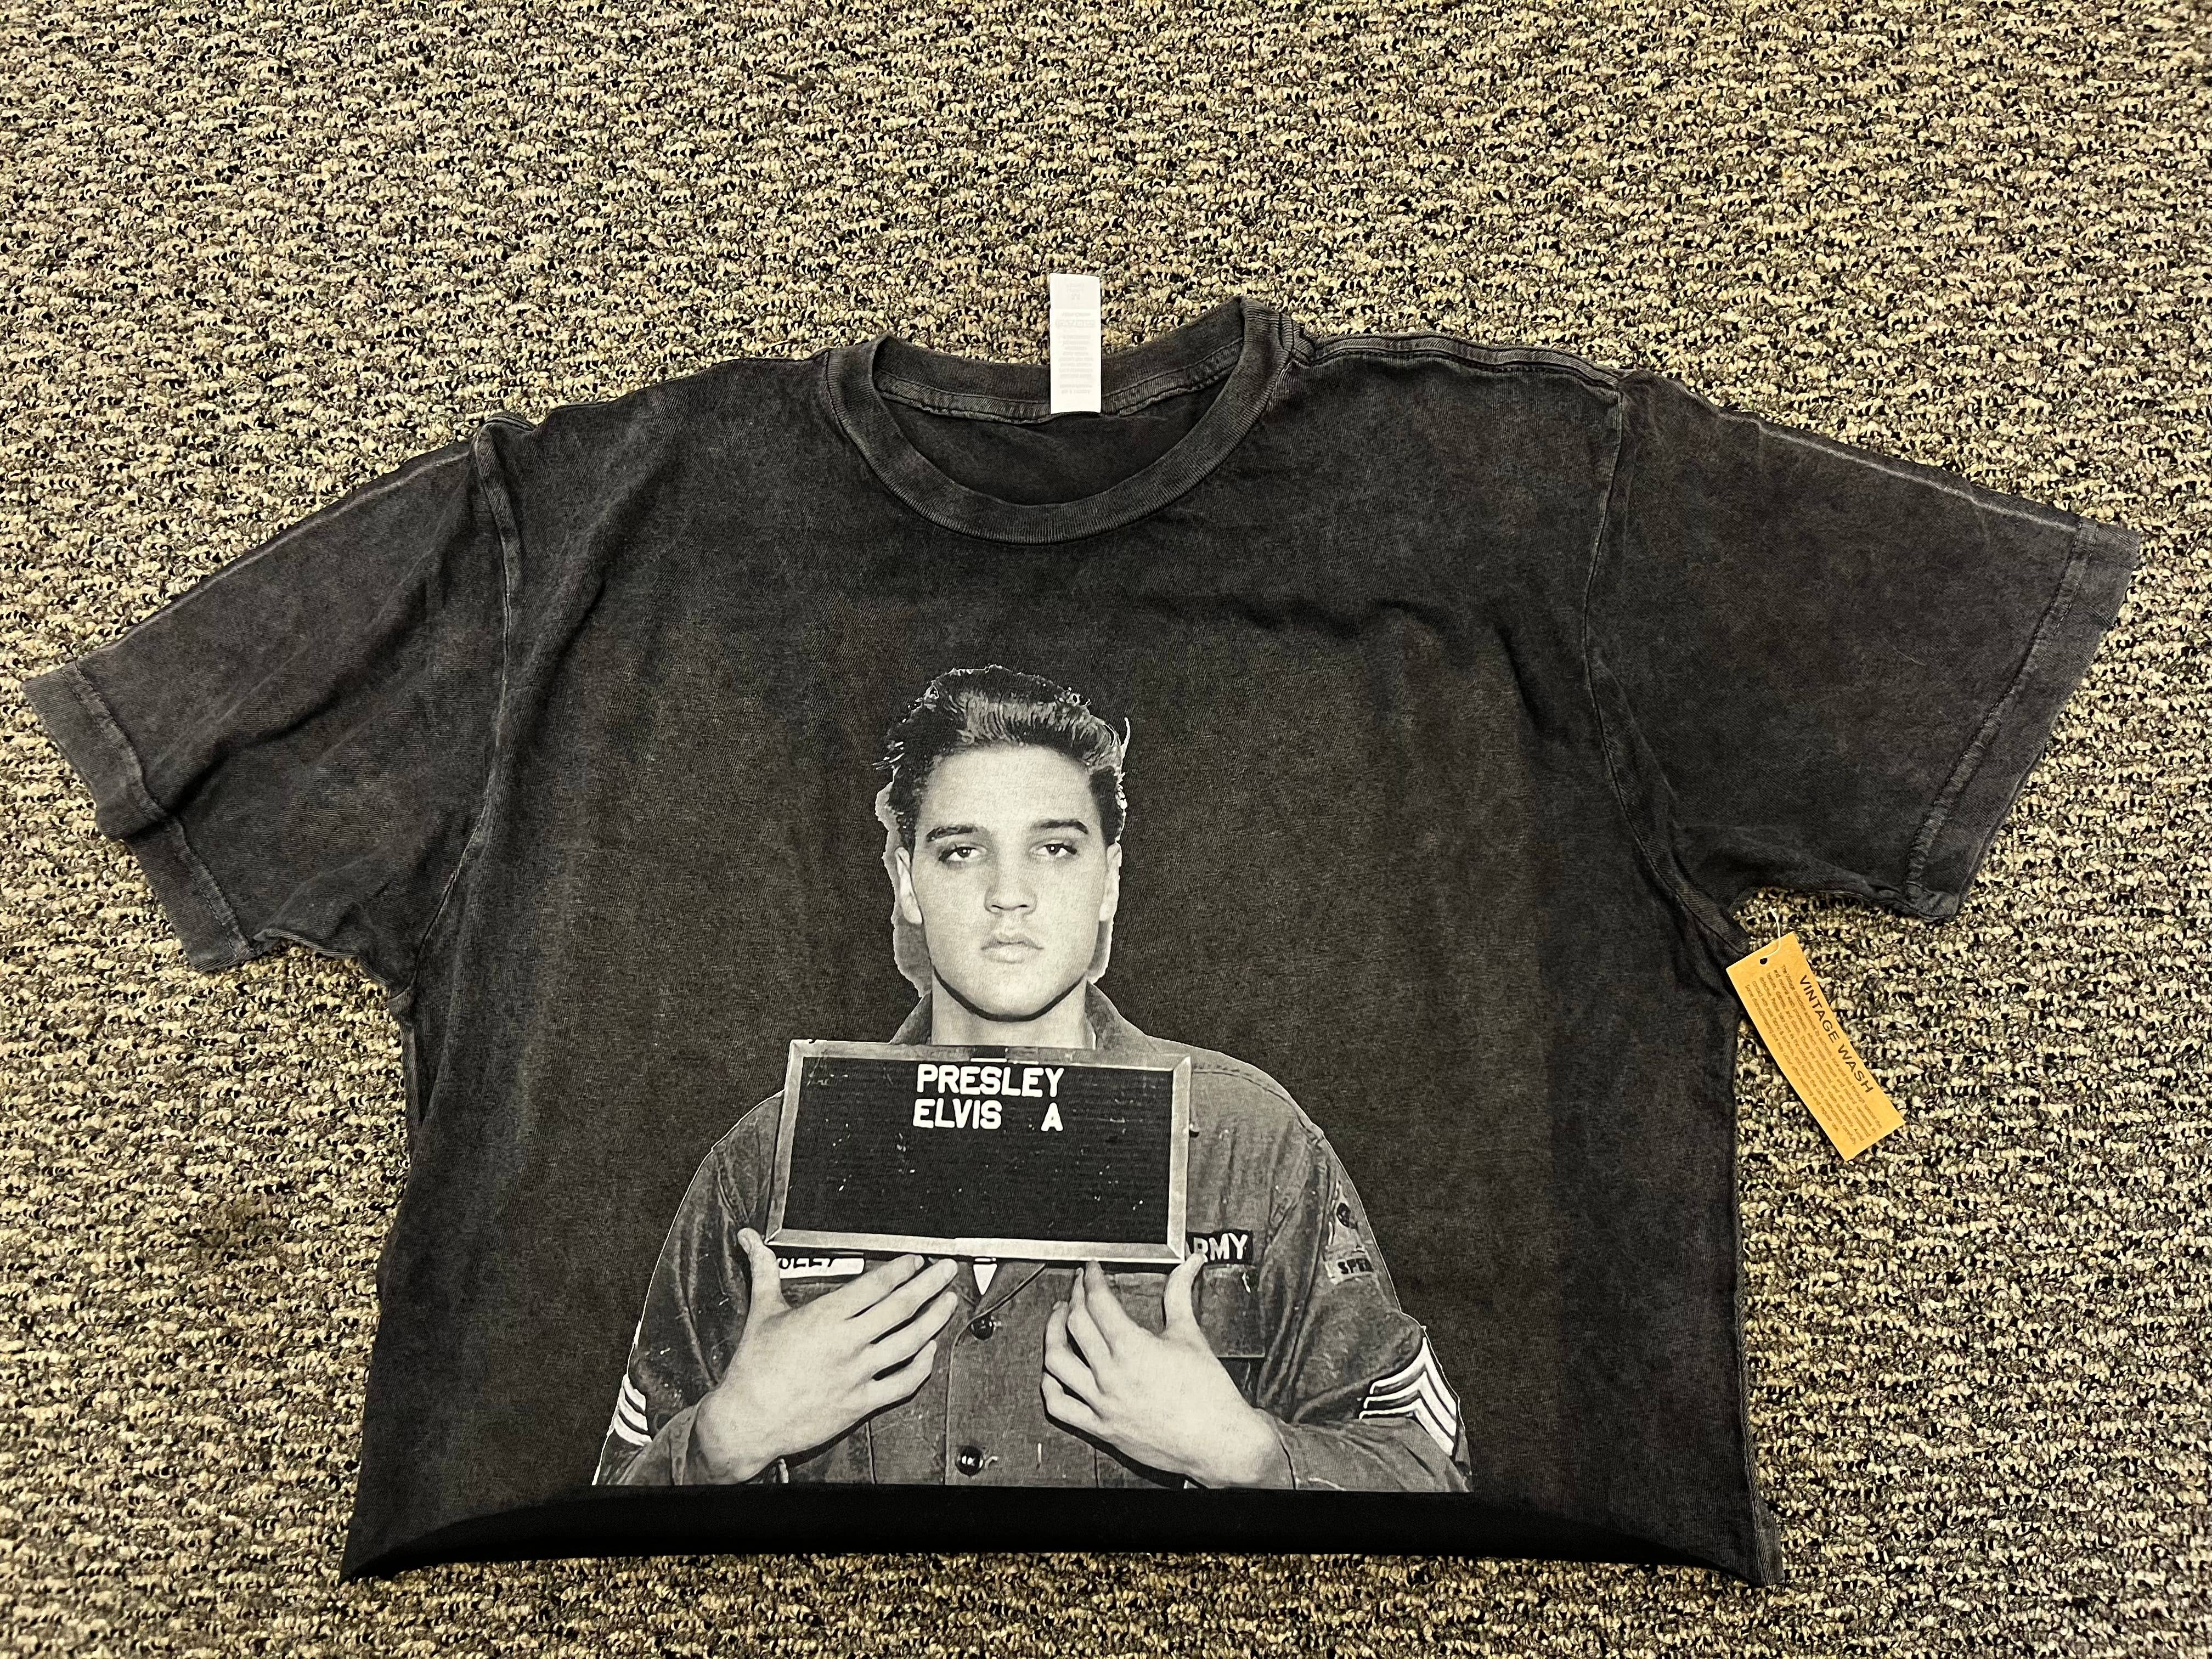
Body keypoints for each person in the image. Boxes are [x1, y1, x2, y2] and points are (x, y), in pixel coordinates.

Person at [593, 664, 1470, 1492]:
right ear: (905, 881)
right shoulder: (768, 1160)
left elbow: (1429, 1474)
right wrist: (725, 1440)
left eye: (1054, 848)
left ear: (1109, 882)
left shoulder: (1251, 1147)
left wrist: (1245, 1455)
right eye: (961, 852)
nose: (1008, 894)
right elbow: (598, 1535)